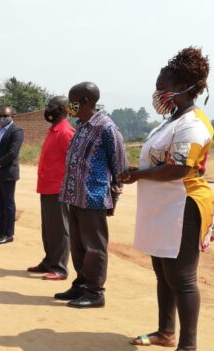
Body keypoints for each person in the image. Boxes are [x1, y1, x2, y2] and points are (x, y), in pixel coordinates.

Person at [122, 47, 214, 351]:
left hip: (184, 206)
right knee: (163, 273)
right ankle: (166, 332)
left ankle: (189, 348)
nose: (158, 92)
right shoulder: (170, 121)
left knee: (183, 278)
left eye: (161, 86)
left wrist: (139, 175)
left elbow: (179, 168)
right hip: (163, 208)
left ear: (179, 87)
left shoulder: (193, 124)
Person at [56, 82, 127, 308]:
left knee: (94, 247)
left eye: (72, 100)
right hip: (74, 196)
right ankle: (81, 285)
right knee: (77, 246)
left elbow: (120, 166)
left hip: (93, 197)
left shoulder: (106, 127)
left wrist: (114, 196)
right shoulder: (82, 126)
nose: (69, 105)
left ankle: (95, 292)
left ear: (85, 101)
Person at [28, 96, 75, 280]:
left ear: (64, 109)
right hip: (47, 187)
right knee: (49, 229)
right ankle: (49, 261)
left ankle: (60, 267)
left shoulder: (65, 132)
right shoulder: (54, 130)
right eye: (48, 105)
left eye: (52, 106)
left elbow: (74, 162)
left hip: (59, 189)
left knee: (60, 229)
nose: (48, 109)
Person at [0, 106, 24, 244]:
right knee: (0, 204)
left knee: (8, 204)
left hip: (7, 172)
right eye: (0, 115)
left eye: (6, 116)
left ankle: (8, 234)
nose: (2, 118)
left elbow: (12, 153)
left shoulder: (16, 131)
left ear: (13, 116)